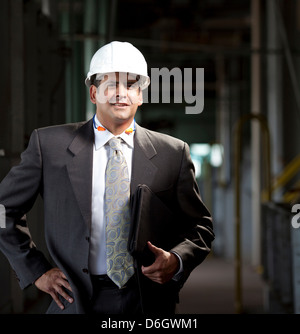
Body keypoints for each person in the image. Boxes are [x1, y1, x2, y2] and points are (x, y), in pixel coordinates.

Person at [0, 41, 214, 315]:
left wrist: (176, 260)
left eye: (131, 85)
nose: (121, 93)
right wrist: (36, 270)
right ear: (93, 92)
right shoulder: (49, 145)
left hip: (148, 303)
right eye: (111, 84)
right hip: (73, 300)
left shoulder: (172, 153)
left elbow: (200, 227)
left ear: (141, 95)